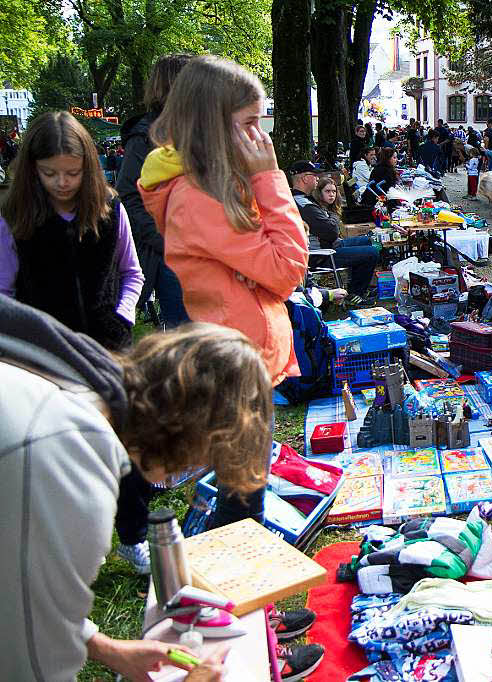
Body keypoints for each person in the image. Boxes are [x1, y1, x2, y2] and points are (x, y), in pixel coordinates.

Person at [0, 299, 277, 681]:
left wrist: (106, 649)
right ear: (196, 435)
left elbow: (25, 591)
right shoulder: (73, 460)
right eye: (209, 457)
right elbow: (30, 667)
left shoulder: (84, 378)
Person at [138, 55, 309, 529]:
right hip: (236, 361)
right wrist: (269, 178)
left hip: (243, 353)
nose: (261, 136)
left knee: (243, 486)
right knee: (241, 501)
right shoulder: (199, 197)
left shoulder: (212, 183)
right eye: (250, 123)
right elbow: (288, 267)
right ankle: (229, 592)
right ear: (213, 126)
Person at [0, 111, 143, 352]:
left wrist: (123, 316)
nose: (62, 182)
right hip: (42, 352)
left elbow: (132, 273)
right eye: (50, 173)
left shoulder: (111, 210)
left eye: (72, 173)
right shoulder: (14, 217)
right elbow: (4, 291)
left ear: (87, 169)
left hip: (107, 347)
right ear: (32, 169)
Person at [117, 53, 194, 329]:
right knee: (185, 335)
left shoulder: (200, 130)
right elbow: (127, 194)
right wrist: (163, 241)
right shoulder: (145, 136)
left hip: (209, 250)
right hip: (172, 257)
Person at [290, 161, 378, 302]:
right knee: (371, 252)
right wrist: (331, 214)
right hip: (321, 254)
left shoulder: (304, 200)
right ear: (305, 178)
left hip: (328, 246)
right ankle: (355, 294)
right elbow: (331, 231)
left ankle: (356, 287)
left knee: (368, 240)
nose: (318, 179)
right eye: (315, 175)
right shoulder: (304, 204)